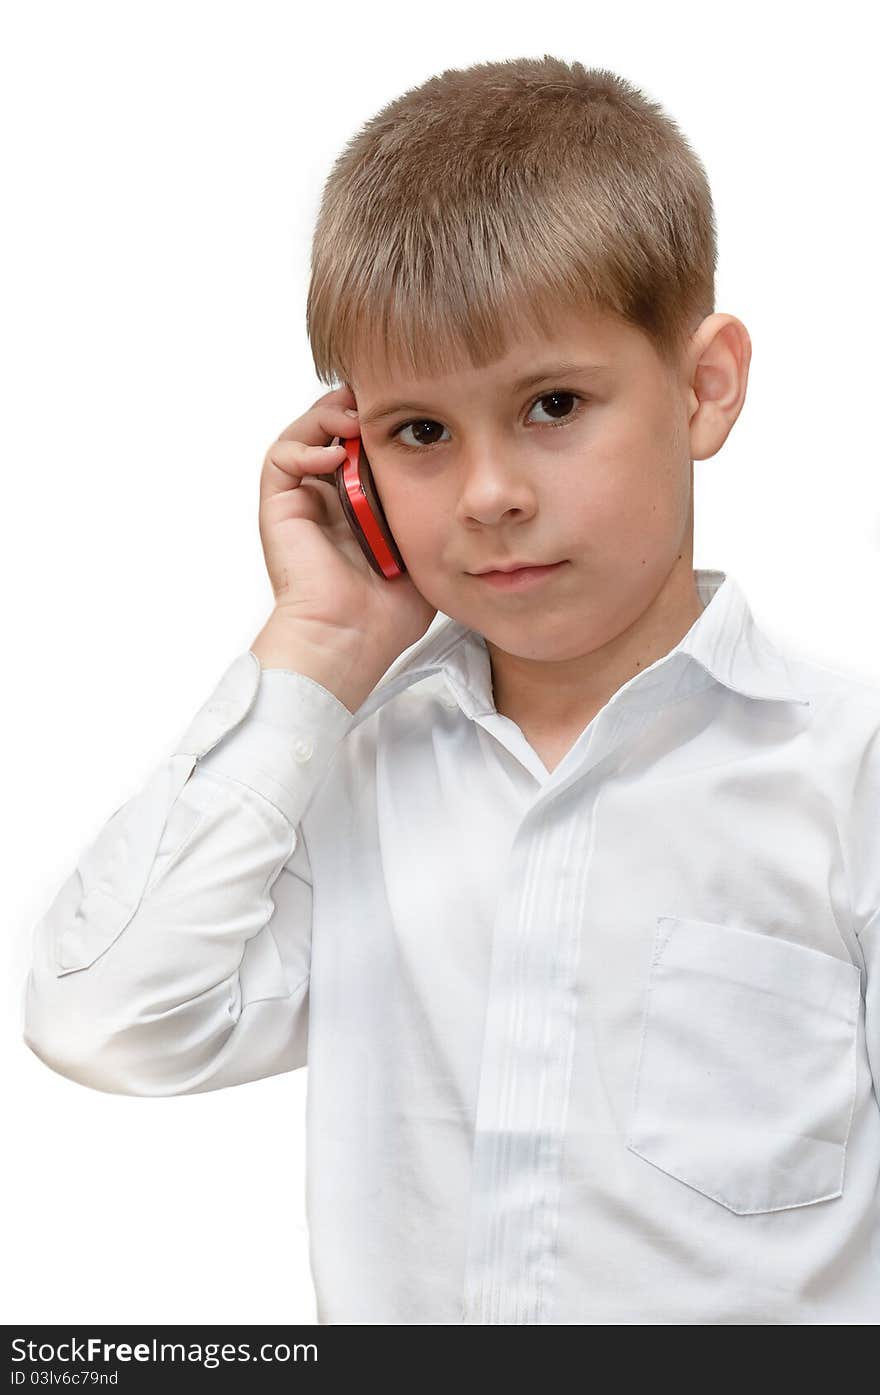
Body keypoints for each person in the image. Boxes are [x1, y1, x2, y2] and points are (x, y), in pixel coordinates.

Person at [21, 56, 880, 1324]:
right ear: (352, 455)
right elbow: (104, 1021)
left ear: (704, 387)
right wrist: (320, 639)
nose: (487, 496)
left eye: (551, 404)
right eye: (420, 432)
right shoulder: (348, 774)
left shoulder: (840, 769)